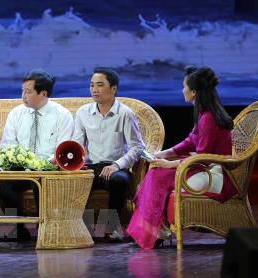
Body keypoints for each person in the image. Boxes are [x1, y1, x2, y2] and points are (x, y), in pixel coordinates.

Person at [127, 66, 236, 249]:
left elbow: (202, 158)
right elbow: (190, 142)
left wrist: (169, 164)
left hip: (215, 174)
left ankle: (153, 233)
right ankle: (152, 232)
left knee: (158, 175)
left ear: (193, 92)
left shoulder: (208, 118)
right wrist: (165, 153)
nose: (182, 90)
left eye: (184, 86)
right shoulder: (204, 114)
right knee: (156, 172)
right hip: (204, 167)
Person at [0, 69, 74, 240]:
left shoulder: (61, 115)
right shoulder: (16, 113)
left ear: (43, 93)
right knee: (4, 184)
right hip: (20, 167)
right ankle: (19, 231)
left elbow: (63, 150)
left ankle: (46, 230)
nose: (23, 96)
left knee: (39, 181)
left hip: (49, 168)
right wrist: (14, 159)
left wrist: (39, 166)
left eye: (28, 91)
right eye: (22, 91)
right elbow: (6, 144)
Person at [72, 67, 145, 242]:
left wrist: (117, 165)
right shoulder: (83, 113)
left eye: (99, 85)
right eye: (91, 85)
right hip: (91, 166)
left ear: (113, 89)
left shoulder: (125, 114)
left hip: (116, 166)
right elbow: (77, 144)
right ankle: (85, 229)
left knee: (119, 181)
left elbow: (137, 147)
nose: (94, 90)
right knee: (76, 180)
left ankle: (112, 228)